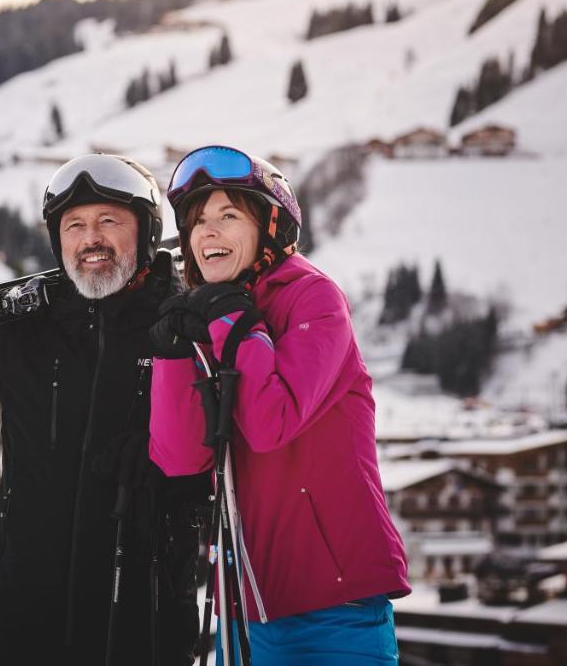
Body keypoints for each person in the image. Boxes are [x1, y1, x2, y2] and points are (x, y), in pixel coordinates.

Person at [0, 154, 209, 666]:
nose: (90, 238)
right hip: (26, 626)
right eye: (74, 225)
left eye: (109, 221)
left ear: (146, 231)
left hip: (147, 624)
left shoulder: (186, 329)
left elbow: (236, 457)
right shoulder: (25, 331)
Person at [148, 145, 409, 665]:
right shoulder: (216, 316)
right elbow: (180, 459)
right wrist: (173, 354)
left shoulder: (313, 299)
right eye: (197, 221)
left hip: (336, 605)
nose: (208, 233)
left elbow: (271, 423)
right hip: (245, 607)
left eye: (227, 215)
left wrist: (235, 324)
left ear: (269, 227)